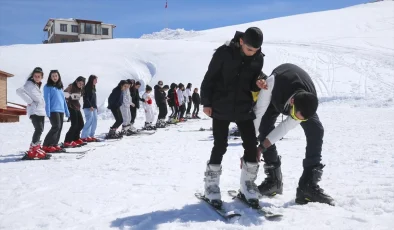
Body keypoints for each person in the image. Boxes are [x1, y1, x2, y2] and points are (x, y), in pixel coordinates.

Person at [200, 27, 266, 207]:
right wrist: (206, 103)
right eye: (250, 50)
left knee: (251, 145)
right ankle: (211, 186)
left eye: (256, 50)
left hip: (244, 106)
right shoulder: (223, 53)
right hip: (221, 105)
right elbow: (209, 78)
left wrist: (259, 82)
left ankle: (248, 185)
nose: (253, 54)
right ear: (242, 41)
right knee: (220, 145)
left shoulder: (258, 58)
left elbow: (253, 81)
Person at [253, 63, 334, 206]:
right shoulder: (271, 84)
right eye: (296, 116)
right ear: (292, 103)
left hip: (300, 98)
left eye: (300, 119)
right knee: (265, 127)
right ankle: (273, 181)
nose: (297, 120)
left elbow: (285, 127)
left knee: (316, 129)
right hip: (277, 94)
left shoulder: (308, 103)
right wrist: (253, 147)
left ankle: (308, 185)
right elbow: (258, 114)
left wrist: (262, 147)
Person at [16, 67, 51, 160]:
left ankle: (36, 148)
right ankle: (33, 151)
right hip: (34, 111)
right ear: (33, 76)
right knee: (38, 129)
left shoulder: (37, 84)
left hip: (40, 111)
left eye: (39, 76)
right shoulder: (29, 84)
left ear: (41, 77)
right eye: (35, 76)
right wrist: (29, 101)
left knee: (40, 129)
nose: (37, 77)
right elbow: (19, 91)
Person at [42, 70, 70, 153]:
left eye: (56, 76)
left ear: (58, 77)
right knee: (56, 126)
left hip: (61, 110)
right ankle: (46, 145)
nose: (55, 77)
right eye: (53, 76)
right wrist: (48, 111)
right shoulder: (47, 86)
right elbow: (47, 99)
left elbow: (63, 100)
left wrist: (67, 110)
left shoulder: (59, 87)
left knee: (60, 128)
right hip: (53, 110)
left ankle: (54, 144)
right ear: (50, 77)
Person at [63, 76, 86, 148]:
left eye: (82, 84)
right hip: (71, 107)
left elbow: (81, 95)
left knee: (81, 124)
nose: (81, 85)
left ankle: (76, 139)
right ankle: (67, 141)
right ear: (76, 81)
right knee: (74, 124)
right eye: (80, 83)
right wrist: (71, 96)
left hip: (77, 107)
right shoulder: (71, 86)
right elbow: (64, 93)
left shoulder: (81, 88)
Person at [81, 75, 98, 142]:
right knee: (89, 121)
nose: (96, 81)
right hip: (88, 107)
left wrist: (95, 106)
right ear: (91, 80)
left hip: (94, 107)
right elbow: (86, 98)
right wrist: (90, 105)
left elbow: (93, 98)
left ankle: (91, 135)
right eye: (95, 80)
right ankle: (84, 136)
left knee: (95, 121)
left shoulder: (93, 87)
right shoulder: (87, 87)